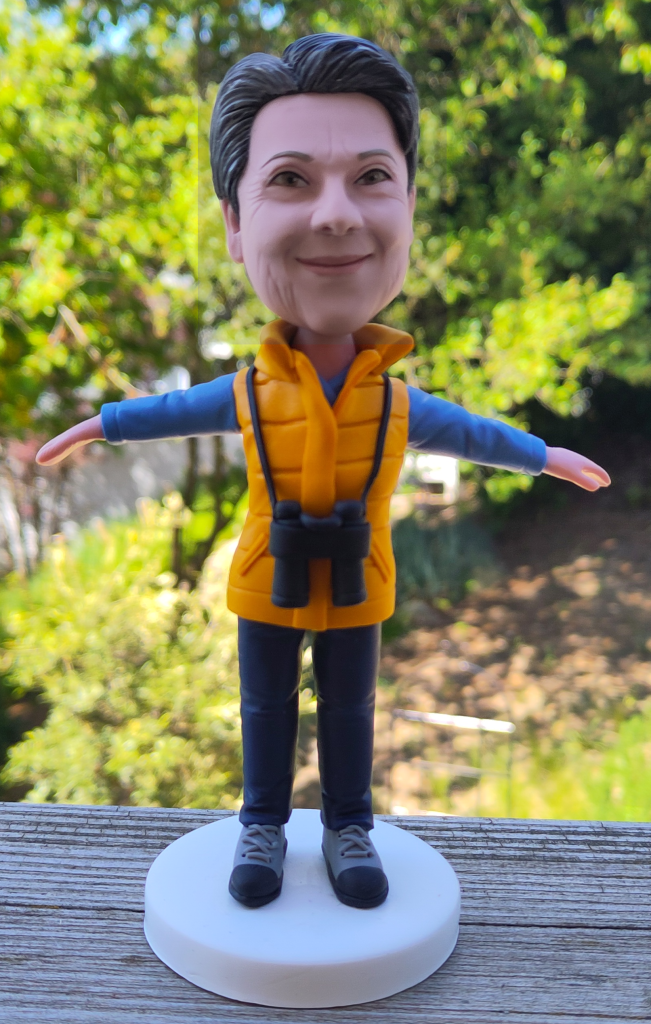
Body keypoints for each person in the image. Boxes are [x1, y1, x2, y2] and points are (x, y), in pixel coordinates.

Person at [37, 34, 610, 911]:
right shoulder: (247, 390)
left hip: (357, 578)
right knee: (264, 710)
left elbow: (471, 434)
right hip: (267, 577)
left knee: (351, 710)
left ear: (408, 204)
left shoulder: (396, 401)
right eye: (291, 180)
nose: (336, 216)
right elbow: (170, 409)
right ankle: (260, 826)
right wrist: (101, 424)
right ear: (234, 223)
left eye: (371, 177)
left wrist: (542, 456)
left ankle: (350, 827)